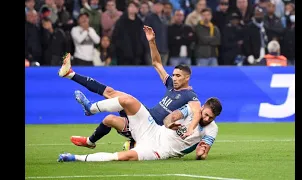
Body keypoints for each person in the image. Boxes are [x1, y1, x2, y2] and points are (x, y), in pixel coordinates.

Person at [57, 26, 201, 149]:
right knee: (111, 92)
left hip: (149, 127)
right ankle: (70, 74)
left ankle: (92, 136)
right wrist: (152, 42)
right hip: (145, 114)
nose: (174, 78)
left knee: (109, 119)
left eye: (178, 76)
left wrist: (190, 128)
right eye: (174, 75)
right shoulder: (171, 84)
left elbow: (197, 111)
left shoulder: (190, 95)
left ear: (187, 78)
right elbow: (157, 63)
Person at [58, 94, 222, 162]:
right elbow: (170, 118)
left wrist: (202, 152)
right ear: (202, 108)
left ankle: (75, 158)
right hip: (153, 130)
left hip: (159, 150)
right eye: (205, 114)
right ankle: (91, 108)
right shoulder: (192, 110)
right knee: (127, 100)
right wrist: (170, 123)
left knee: (122, 157)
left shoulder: (212, 130)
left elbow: (201, 153)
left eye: (210, 118)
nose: (206, 119)